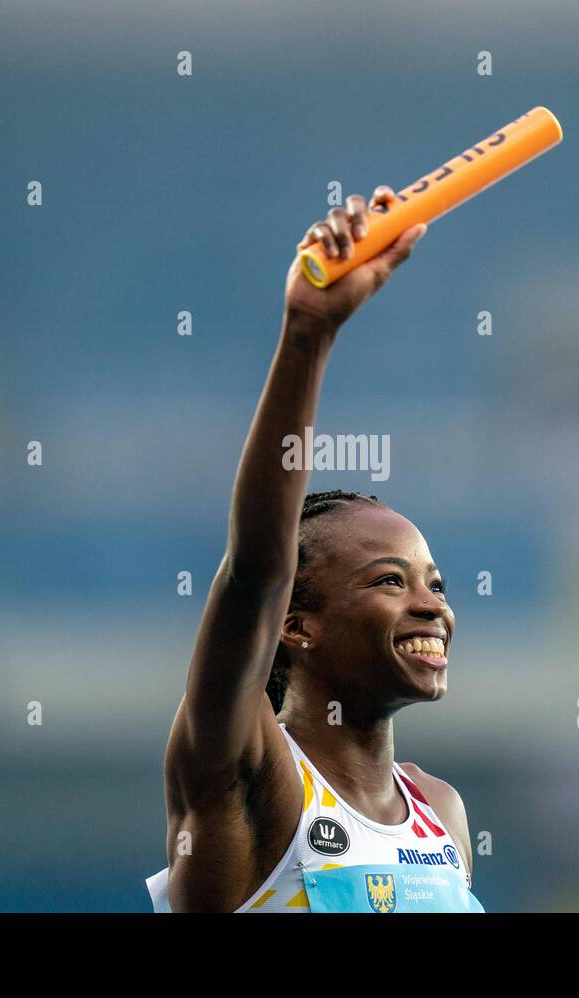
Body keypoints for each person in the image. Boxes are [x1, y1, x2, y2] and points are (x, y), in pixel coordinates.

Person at [146, 187, 482, 912]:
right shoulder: (245, 774)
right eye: (392, 580)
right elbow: (255, 572)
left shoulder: (440, 813)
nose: (433, 606)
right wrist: (309, 333)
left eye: (436, 582)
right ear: (297, 622)